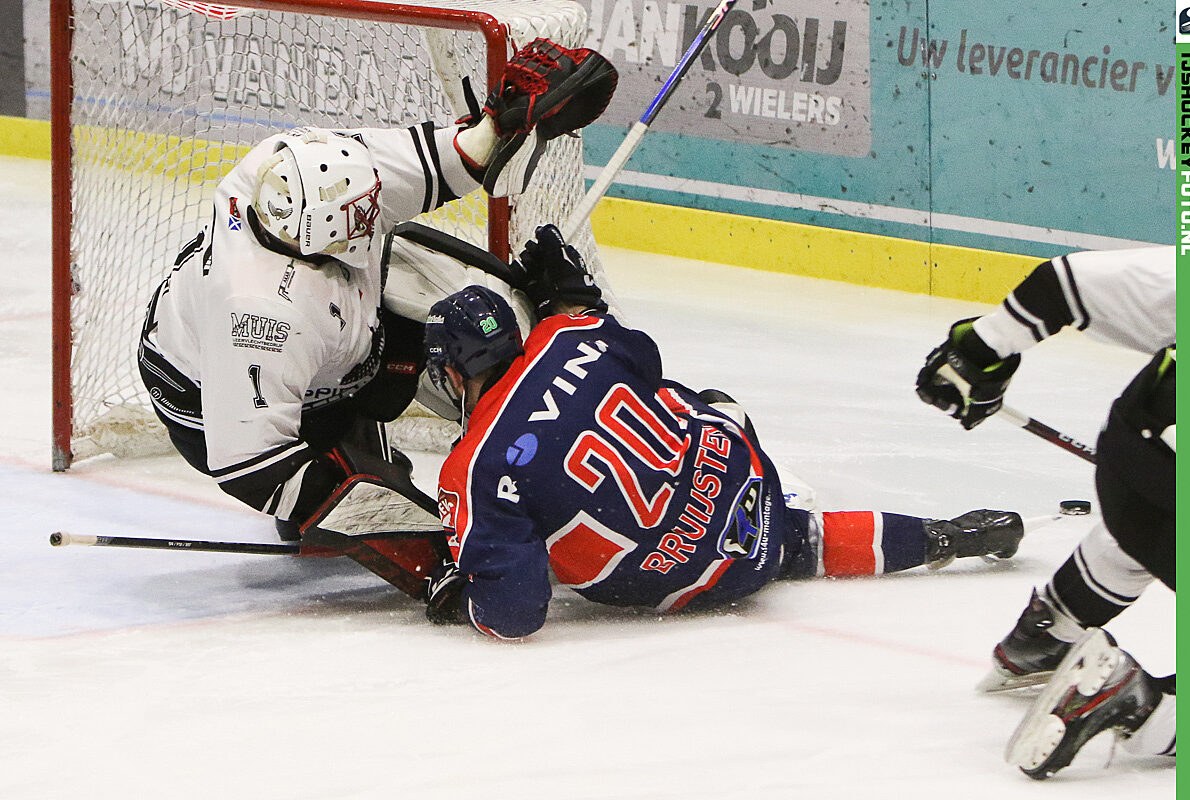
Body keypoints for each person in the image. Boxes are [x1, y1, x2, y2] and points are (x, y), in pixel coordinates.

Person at [136, 38, 617, 575]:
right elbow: (251, 466)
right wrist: (421, 552)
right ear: (324, 239)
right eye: (362, 218)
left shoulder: (308, 168)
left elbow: (449, 158)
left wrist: (501, 126)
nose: (375, 212)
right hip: (208, 405)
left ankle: (553, 430)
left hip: (328, 337)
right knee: (348, 492)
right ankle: (352, 456)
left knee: (492, 308)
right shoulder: (258, 314)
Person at [419, 224, 1026, 639]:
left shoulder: (473, 466)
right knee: (704, 405)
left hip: (675, 580)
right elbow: (640, 357)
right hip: (744, 494)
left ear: (453, 368)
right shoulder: (571, 336)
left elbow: (516, 615)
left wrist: (469, 592)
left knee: (542, 515)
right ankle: (942, 537)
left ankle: (787, 537)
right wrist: (575, 301)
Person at [914, 245, 1175, 778]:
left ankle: (1048, 631)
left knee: (1147, 533)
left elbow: (1061, 283)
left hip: (1129, 468)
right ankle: (1140, 704)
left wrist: (980, 352)